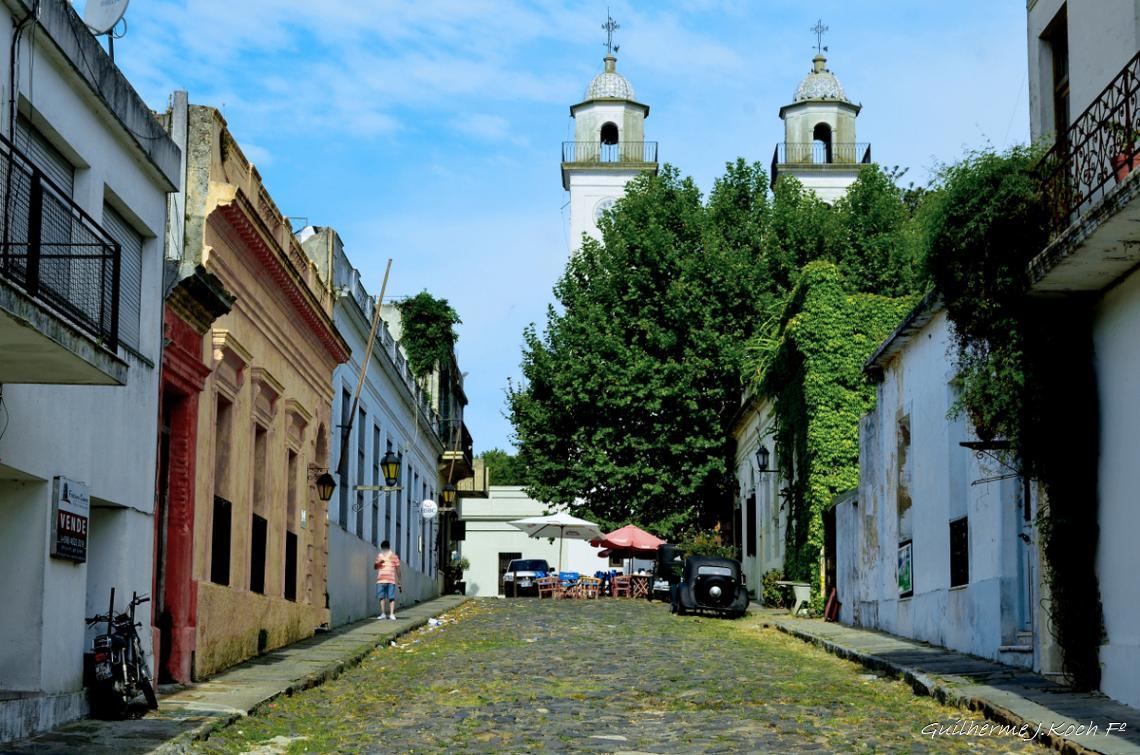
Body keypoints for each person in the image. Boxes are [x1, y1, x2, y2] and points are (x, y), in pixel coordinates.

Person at [374, 540, 401, 620]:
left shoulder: (394, 556)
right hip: (380, 580)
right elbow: (375, 567)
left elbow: (398, 569)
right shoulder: (379, 556)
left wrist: (399, 580)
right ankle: (383, 614)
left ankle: (392, 614)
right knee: (381, 597)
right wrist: (378, 563)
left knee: (391, 597)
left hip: (391, 580)